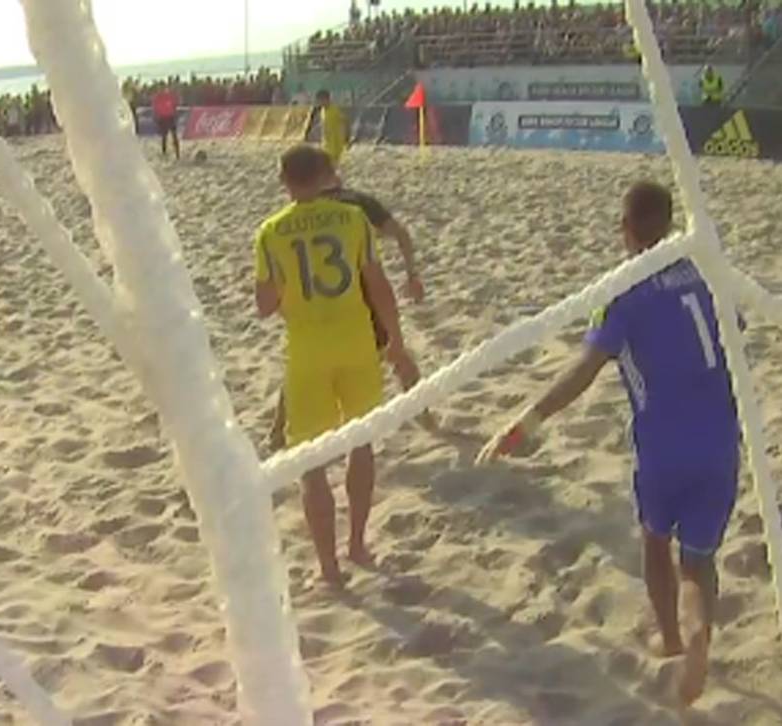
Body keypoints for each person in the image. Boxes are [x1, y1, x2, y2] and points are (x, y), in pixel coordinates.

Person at [478, 182, 739, 707]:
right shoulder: (706, 271)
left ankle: (672, 639)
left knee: (654, 540)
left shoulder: (623, 291)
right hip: (721, 438)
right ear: (669, 222)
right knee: (698, 561)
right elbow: (733, 328)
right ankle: (698, 635)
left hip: (663, 443)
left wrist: (527, 420)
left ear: (625, 228)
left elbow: (584, 369)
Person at [254, 144, 406, 587]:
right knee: (361, 445)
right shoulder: (353, 219)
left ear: (284, 182)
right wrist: (395, 339)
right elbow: (378, 285)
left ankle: (329, 567)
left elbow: (265, 305)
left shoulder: (270, 232)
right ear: (326, 176)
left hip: (308, 352)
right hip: (356, 344)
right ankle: (357, 543)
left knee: (312, 462)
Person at [267, 169, 430, 451]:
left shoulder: (298, 213)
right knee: (396, 351)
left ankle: (278, 429)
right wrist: (411, 274)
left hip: (315, 303)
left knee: (304, 365)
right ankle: (424, 413)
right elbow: (401, 235)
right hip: (360, 298)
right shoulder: (358, 203)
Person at [305, 90, 349, 165]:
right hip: (326, 142)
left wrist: (346, 137)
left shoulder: (335, 110)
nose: (319, 103)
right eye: (318, 101)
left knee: (332, 163)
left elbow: (345, 122)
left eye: (321, 100)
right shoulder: (323, 111)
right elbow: (325, 123)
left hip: (335, 143)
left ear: (326, 99)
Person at [152, 84, 181, 160]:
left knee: (171, 136)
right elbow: (155, 109)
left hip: (169, 117)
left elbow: (176, 104)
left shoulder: (167, 96)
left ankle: (176, 153)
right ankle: (168, 152)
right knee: (166, 136)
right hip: (164, 118)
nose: (163, 90)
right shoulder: (158, 97)